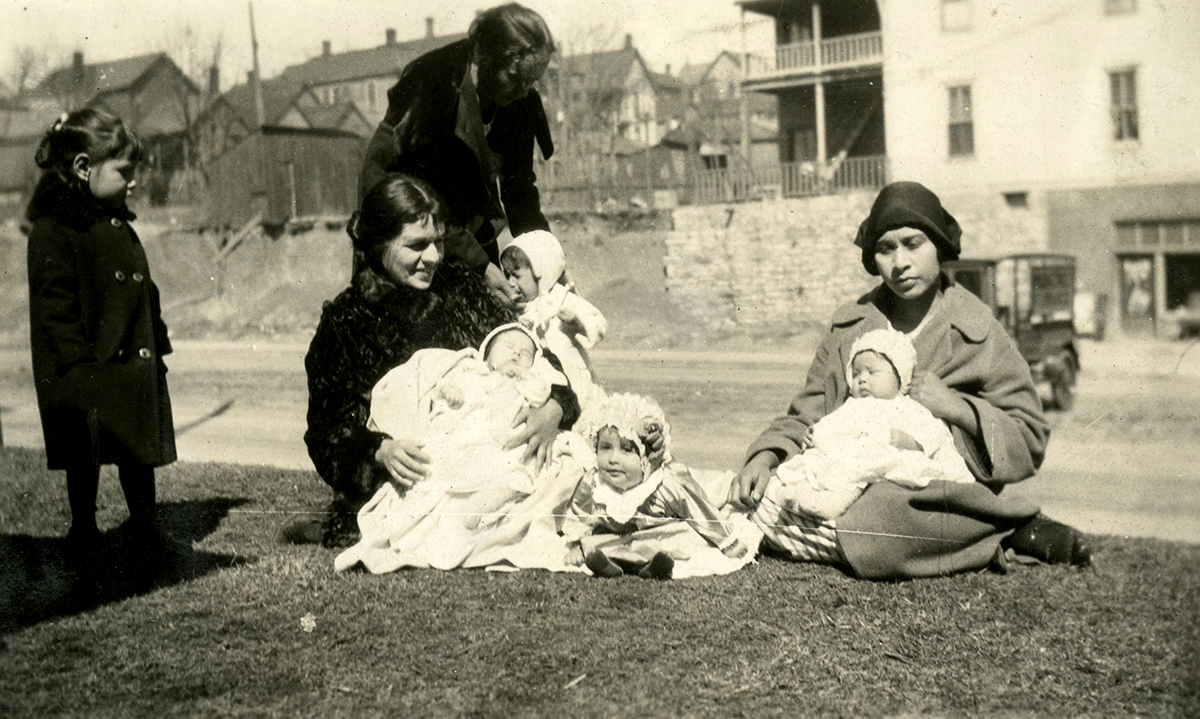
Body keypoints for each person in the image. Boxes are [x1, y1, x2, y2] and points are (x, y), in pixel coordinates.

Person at [731, 181, 1093, 578]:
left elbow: (1029, 436)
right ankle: (984, 537)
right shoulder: (849, 328)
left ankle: (1004, 525)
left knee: (878, 520)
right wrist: (766, 456)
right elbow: (807, 413)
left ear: (939, 246)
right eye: (885, 249)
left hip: (933, 491)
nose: (899, 261)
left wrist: (958, 408)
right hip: (846, 476)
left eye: (913, 243)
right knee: (776, 497)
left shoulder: (976, 329)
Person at [293, 173, 579, 548]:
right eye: (416, 245)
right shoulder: (345, 323)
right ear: (378, 243)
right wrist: (378, 451)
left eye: (438, 244)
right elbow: (326, 435)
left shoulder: (461, 291)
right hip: (405, 486)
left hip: (491, 466)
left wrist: (554, 408)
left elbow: (537, 357)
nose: (432, 258)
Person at [26, 109, 175, 547]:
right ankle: (83, 526)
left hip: (128, 356)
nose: (135, 181)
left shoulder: (116, 224)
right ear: (83, 167)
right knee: (83, 450)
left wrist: (156, 342)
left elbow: (142, 289)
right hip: (84, 364)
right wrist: (75, 362)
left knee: (136, 449)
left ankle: (145, 522)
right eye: (125, 171)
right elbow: (54, 304)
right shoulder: (56, 229)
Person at [333, 323, 590, 573]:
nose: (516, 353)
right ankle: (432, 532)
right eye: (509, 347)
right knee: (438, 487)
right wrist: (450, 391)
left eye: (525, 354)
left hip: (501, 447)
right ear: (487, 355)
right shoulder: (470, 371)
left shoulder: (529, 381)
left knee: (502, 484)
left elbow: (543, 392)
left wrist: (530, 379)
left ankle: (471, 524)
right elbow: (441, 390)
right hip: (465, 441)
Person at [358, 2, 557, 303]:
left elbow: (520, 192)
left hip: (460, 229)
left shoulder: (519, 101)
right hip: (402, 230)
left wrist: (550, 261)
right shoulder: (434, 84)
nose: (524, 91)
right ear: (485, 58)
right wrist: (480, 267)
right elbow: (424, 198)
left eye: (532, 81)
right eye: (516, 78)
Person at [765, 328, 974, 522]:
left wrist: (912, 442)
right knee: (815, 466)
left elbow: (932, 432)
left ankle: (831, 505)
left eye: (872, 372)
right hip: (849, 456)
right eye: (856, 374)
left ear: (899, 378)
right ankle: (797, 495)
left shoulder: (907, 407)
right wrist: (815, 434)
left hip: (885, 458)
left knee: (865, 473)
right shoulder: (852, 405)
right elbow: (832, 424)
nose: (862, 380)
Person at [562, 393, 759, 580]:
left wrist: (725, 540)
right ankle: (607, 565)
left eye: (626, 450)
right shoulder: (594, 483)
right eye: (605, 448)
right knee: (600, 541)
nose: (613, 459)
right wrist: (576, 544)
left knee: (684, 537)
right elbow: (579, 513)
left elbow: (698, 509)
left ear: (645, 457)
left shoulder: (662, 485)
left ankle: (651, 567)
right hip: (616, 539)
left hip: (660, 535)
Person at [502, 230, 607, 410]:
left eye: (517, 276)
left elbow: (599, 325)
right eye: (508, 275)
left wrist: (577, 323)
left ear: (541, 273)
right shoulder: (521, 310)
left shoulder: (563, 299)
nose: (511, 282)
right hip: (544, 387)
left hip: (574, 380)